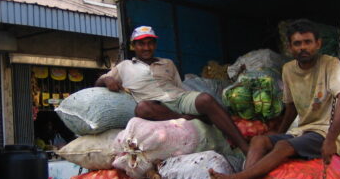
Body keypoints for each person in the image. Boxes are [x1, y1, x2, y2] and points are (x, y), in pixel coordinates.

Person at [209, 19, 340, 179]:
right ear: (290, 48)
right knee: (259, 140)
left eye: (308, 42)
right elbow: (291, 107)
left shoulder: (330, 64)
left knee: (283, 147)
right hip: (301, 131)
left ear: (318, 44)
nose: (303, 48)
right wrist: (280, 131)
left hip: (324, 132)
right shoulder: (288, 70)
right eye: (297, 43)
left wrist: (331, 139)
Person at [95, 25, 249, 153]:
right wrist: (107, 79)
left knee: (206, 99)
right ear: (133, 46)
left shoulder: (167, 63)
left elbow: (179, 87)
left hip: (179, 97)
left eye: (150, 43)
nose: (146, 48)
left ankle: (244, 147)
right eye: (141, 44)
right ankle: (186, 118)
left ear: (155, 45)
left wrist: (188, 100)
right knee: (142, 108)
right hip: (157, 105)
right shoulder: (124, 67)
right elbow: (97, 83)